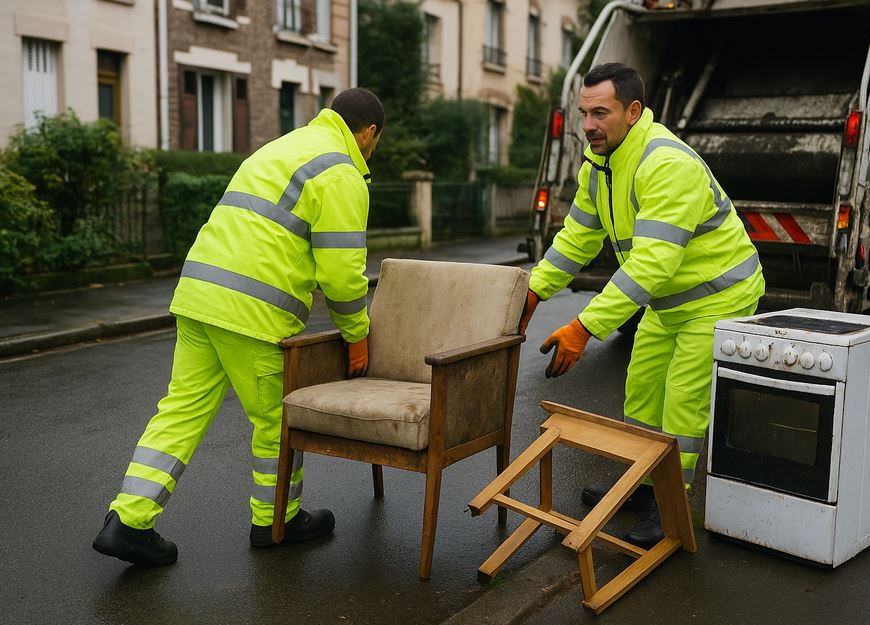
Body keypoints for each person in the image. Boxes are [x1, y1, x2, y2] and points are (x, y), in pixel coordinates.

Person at [93, 88, 384, 566]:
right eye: (375, 142)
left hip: (199, 294)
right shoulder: (341, 171)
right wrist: (356, 336)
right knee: (276, 421)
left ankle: (128, 520)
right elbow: (341, 273)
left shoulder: (281, 147)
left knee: (180, 410)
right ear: (369, 132)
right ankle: (277, 521)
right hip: (254, 311)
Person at [519, 63, 764, 548]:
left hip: (718, 297)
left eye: (600, 113)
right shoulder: (600, 164)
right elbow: (578, 236)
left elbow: (651, 263)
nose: (588, 125)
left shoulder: (667, 164)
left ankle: (671, 505)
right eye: (584, 113)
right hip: (669, 300)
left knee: (682, 404)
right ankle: (643, 480)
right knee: (642, 391)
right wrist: (534, 290)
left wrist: (584, 327)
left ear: (633, 111)